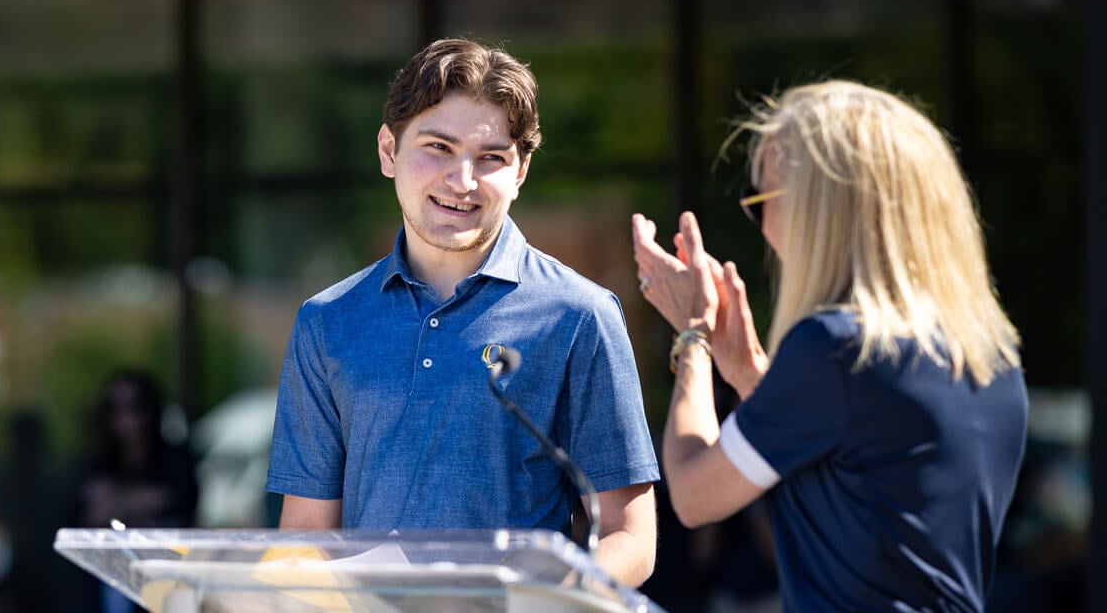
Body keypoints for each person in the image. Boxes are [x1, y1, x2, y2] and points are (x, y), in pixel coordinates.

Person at [267, 38, 659, 586]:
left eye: (491, 157)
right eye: (439, 147)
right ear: (388, 151)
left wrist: (536, 601)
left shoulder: (579, 315)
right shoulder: (326, 322)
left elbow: (631, 539)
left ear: (520, 171)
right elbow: (305, 535)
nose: (464, 180)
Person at [631, 80, 1028, 612]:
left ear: (822, 212)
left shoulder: (836, 350)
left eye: (761, 202)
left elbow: (695, 495)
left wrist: (694, 335)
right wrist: (751, 374)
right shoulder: (990, 356)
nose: (761, 226)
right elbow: (849, 464)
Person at [69, 370, 198, 613]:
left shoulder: (176, 461)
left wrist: (118, 500)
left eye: (134, 408)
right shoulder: (94, 464)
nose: (127, 420)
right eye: (116, 410)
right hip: (106, 582)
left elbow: (180, 500)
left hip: (166, 580)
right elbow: (85, 516)